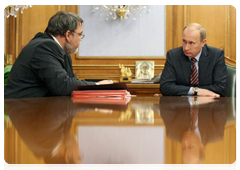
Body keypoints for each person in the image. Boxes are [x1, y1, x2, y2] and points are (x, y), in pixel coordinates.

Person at [4, 11, 113, 99]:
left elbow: (71, 82)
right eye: (80, 34)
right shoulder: (44, 47)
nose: (81, 39)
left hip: (36, 111)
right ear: (68, 35)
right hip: (20, 111)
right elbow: (62, 86)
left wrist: (100, 83)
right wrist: (98, 86)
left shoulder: (61, 50)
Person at [160, 23, 228, 97]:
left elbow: (221, 88)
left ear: (203, 43)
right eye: (184, 41)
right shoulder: (173, 55)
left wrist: (187, 90)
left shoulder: (216, 55)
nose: (186, 48)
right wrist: (195, 91)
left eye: (191, 43)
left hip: (208, 105)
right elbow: (165, 87)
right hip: (181, 105)